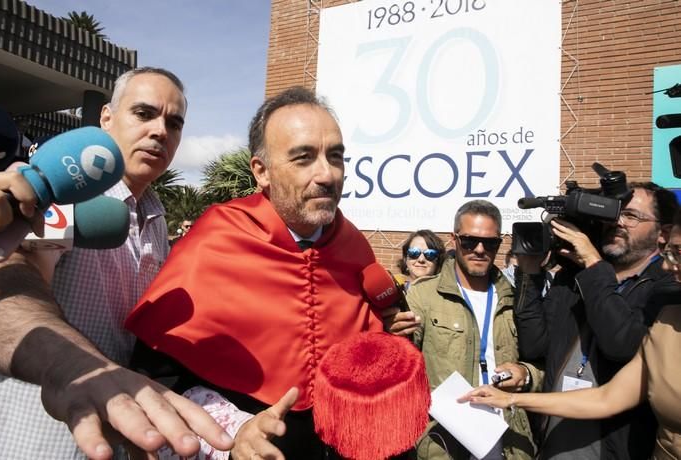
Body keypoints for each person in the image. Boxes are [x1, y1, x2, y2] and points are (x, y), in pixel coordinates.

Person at [124, 86, 386, 460]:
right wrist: (232, 433)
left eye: (336, 156)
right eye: (304, 158)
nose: (327, 174)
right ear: (261, 172)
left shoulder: (355, 247)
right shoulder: (215, 240)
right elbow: (156, 381)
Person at [0, 67, 231, 458]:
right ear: (106, 117)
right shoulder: (49, 189)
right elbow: (12, 274)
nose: (159, 131)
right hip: (37, 439)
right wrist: (64, 363)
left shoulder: (154, 218)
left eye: (174, 122)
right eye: (144, 113)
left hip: (118, 439)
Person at [460, 207, 681, 460]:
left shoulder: (660, 292)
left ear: (660, 231)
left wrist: (594, 264)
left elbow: (619, 344)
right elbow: (606, 398)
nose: (668, 264)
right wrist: (510, 399)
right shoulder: (667, 320)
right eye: (670, 253)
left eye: (678, 253)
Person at [388, 200, 540, 460]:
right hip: (444, 442)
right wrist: (390, 338)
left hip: (508, 441)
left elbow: (543, 362)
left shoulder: (516, 298)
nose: (479, 250)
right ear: (454, 239)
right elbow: (399, 371)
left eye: (489, 243)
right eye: (470, 241)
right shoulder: (424, 296)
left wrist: (526, 374)